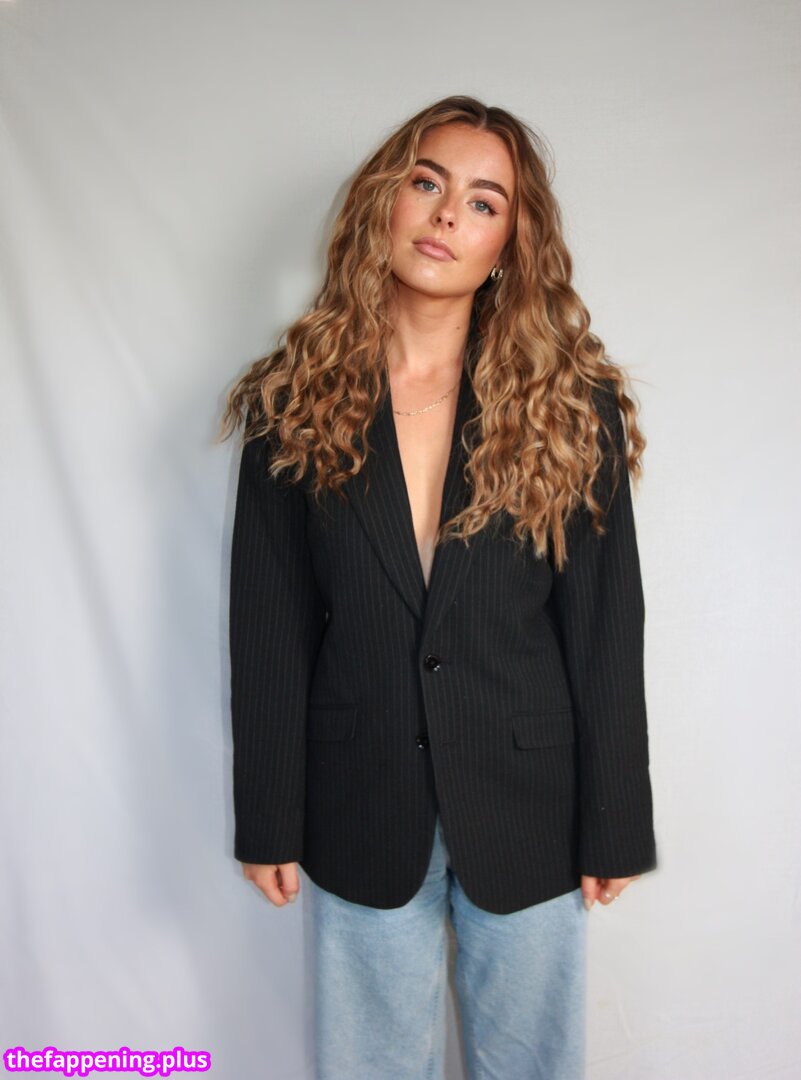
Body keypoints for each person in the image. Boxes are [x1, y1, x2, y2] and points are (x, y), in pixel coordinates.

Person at [218, 95, 658, 1080]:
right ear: (385, 199)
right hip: (358, 795)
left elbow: (604, 621)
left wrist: (615, 817)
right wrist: (268, 813)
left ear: (508, 245)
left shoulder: (566, 403)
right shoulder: (292, 402)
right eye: (427, 182)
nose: (447, 214)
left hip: (531, 802)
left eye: (483, 201)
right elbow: (270, 624)